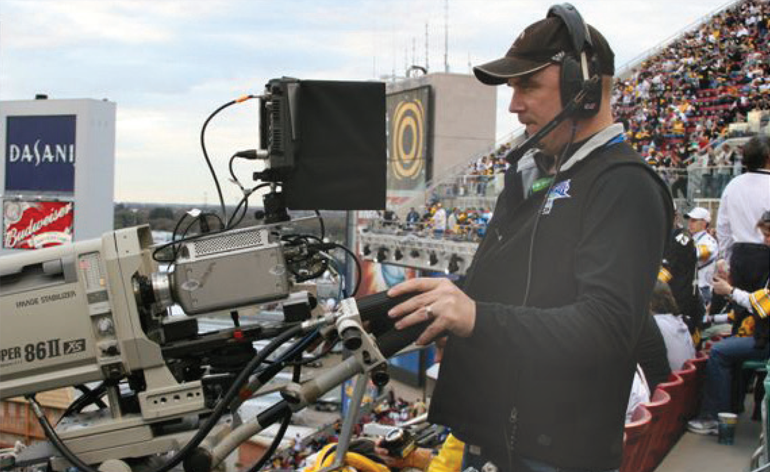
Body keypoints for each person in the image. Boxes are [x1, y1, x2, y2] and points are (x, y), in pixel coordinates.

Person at [386, 5, 672, 471]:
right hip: (497, 443)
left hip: (551, 456)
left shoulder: (625, 184)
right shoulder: (532, 174)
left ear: (583, 87)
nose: (514, 104)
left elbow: (607, 328)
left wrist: (477, 316)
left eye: (528, 85)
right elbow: (519, 295)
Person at [688, 212, 770, 435]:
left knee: (720, 353)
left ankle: (713, 417)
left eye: (768, 235)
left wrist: (730, 291)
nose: (765, 241)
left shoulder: (705, 244)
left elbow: (763, 304)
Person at [684, 207, 718, 306]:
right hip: (689, 287)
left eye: (694, 220)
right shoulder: (688, 238)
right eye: (689, 220)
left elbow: (696, 254)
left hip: (702, 289)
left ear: (704, 223)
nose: (689, 223)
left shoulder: (709, 241)